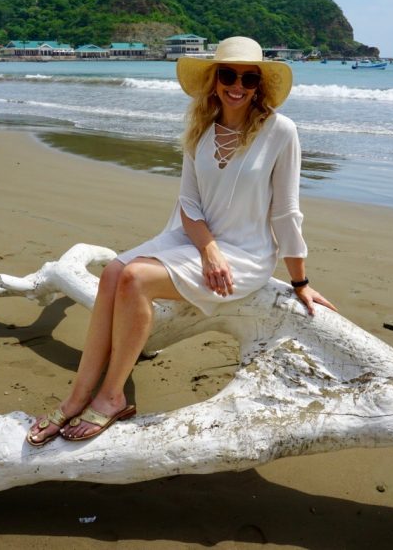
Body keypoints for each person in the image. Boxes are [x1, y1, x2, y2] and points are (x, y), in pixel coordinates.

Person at [26, 36, 336, 446]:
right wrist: (208, 250)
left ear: (260, 84)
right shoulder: (201, 130)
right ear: (215, 79)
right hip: (195, 240)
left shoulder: (281, 131)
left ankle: (112, 396)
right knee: (112, 273)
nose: (237, 85)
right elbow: (189, 205)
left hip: (246, 254)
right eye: (228, 75)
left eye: (248, 77)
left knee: (135, 278)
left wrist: (300, 282)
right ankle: (76, 396)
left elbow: (286, 212)